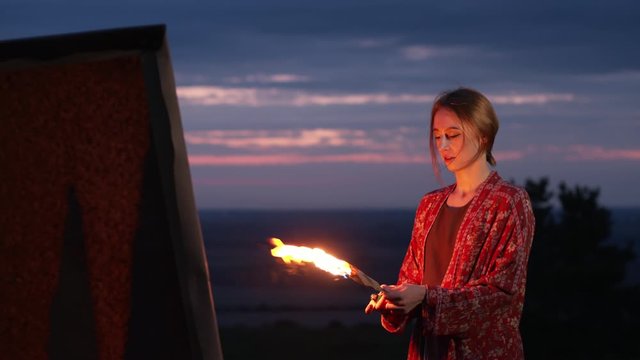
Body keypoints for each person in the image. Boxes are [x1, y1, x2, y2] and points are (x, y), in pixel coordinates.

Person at [365, 87, 535, 359]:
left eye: (453, 135)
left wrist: (426, 297)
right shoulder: (429, 206)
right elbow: (411, 281)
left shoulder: (509, 202)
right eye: (437, 137)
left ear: (483, 136)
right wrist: (395, 303)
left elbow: (502, 295)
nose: (443, 146)